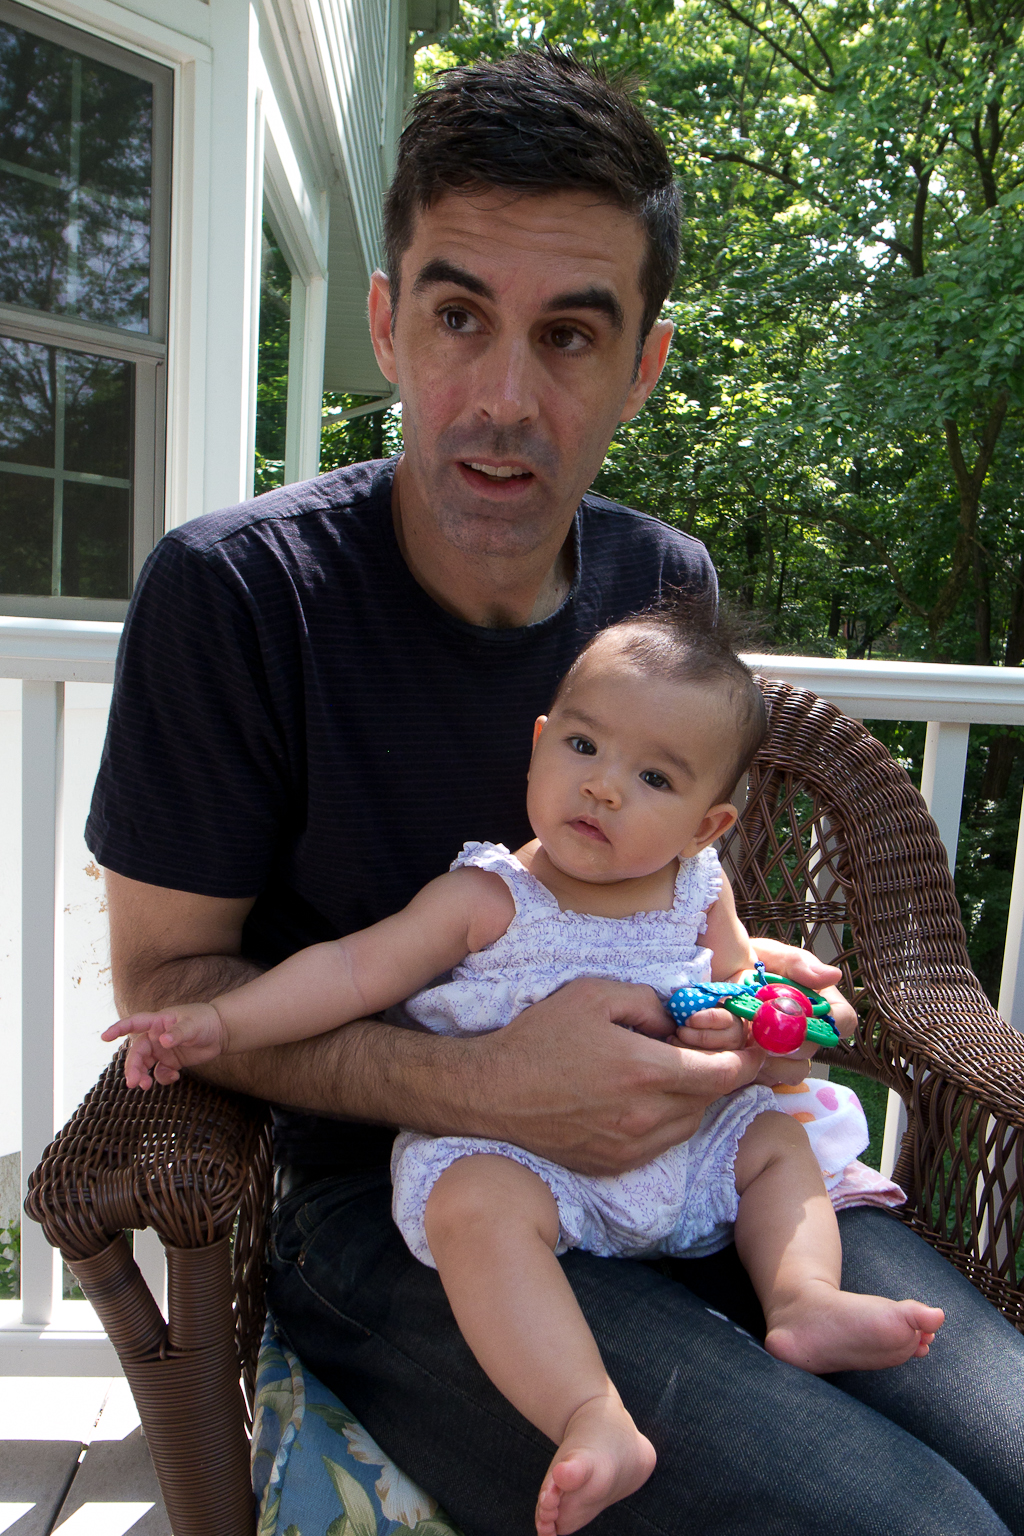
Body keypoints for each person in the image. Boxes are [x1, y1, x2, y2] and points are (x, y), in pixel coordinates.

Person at [87, 47, 1024, 1536]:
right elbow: (174, 984)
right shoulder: (239, 597)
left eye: (572, 335)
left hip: (695, 1162)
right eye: (459, 315)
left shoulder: (661, 584)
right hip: (415, 1207)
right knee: (913, 1525)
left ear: (644, 364)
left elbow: (669, 910)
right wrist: (487, 1086)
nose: (505, 398)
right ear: (387, 322)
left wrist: (744, 999)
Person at [104, 611, 945, 1534]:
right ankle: (591, 1414)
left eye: (654, 778)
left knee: (777, 1141)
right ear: (540, 746)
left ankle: (804, 1299)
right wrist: (221, 1021)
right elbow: (349, 972)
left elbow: (742, 991)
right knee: (472, 1204)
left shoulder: (702, 891)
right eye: (583, 745)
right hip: (530, 1162)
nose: (603, 786)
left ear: (706, 826)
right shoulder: (489, 896)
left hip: (687, 1148)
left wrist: (776, 1023)